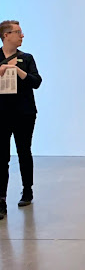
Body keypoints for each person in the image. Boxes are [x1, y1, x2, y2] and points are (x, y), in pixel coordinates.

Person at [0, 20, 42, 220]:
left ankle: (27, 190)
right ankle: (1, 199)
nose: (22, 35)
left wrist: (18, 70)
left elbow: (37, 82)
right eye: (18, 32)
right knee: (2, 157)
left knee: (24, 151)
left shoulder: (26, 58)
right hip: (1, 113)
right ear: (6, 35)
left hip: (24, 113)